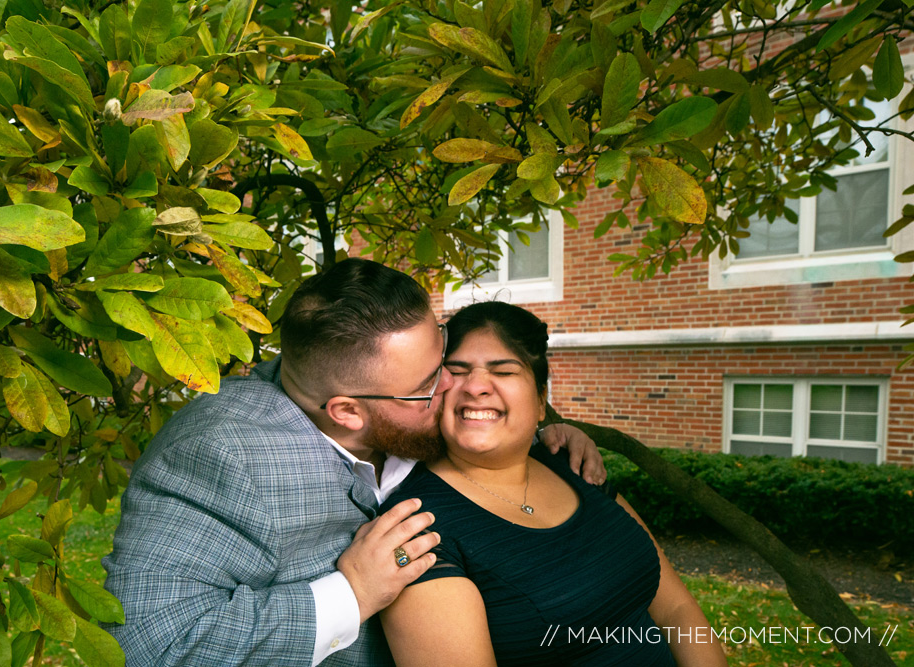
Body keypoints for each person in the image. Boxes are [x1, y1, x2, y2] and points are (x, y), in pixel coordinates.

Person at [102, 259, 604, 666]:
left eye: (444, 354)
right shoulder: (221, 453)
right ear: (348, 411)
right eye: (430, 385)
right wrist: (352, 592)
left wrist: (540, 435)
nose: (457, 386)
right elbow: (151, 647)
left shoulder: (404, 415)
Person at [380, 301, 727, 666]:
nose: (477, 387)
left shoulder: (574, 465)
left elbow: (676, 610)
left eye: (504, 371)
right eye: (457, 371)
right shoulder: (417, 529)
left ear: (541, 402)